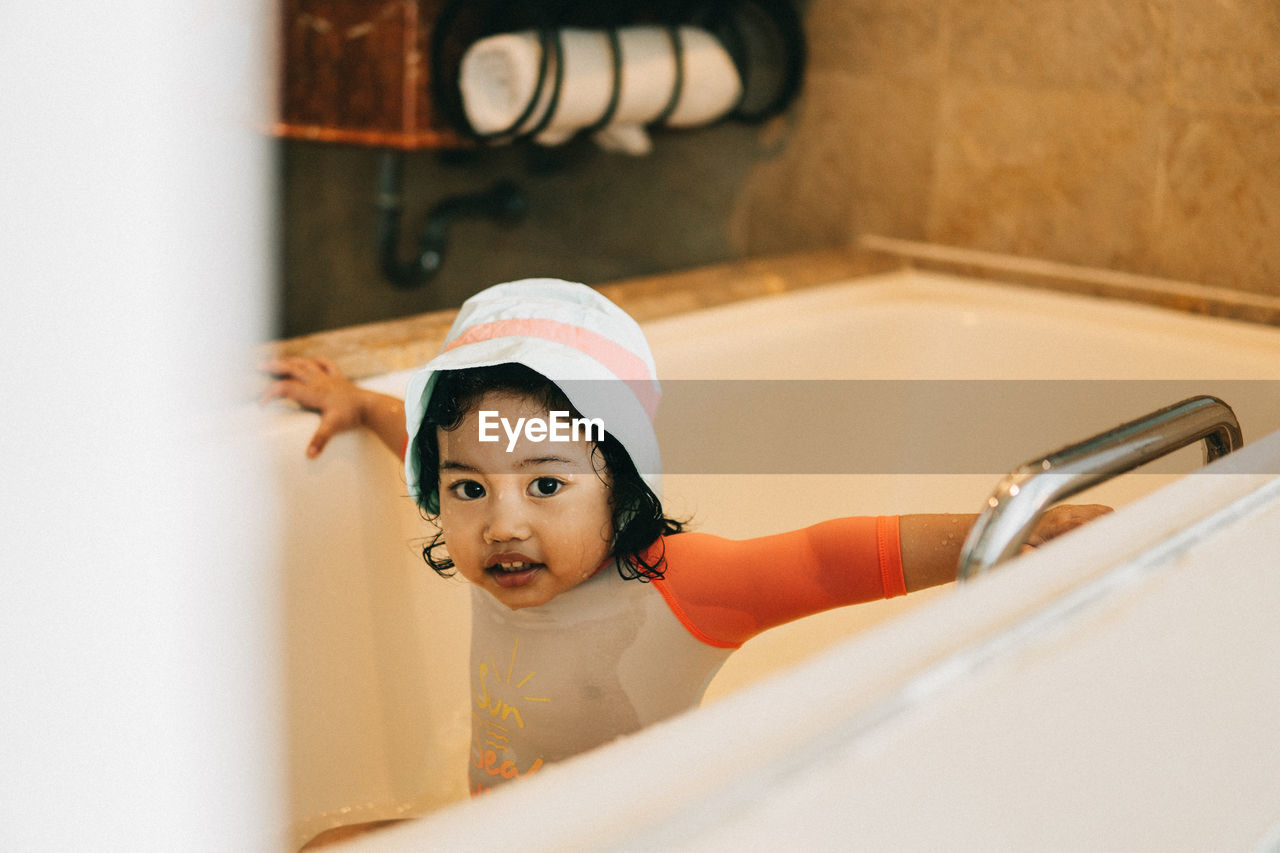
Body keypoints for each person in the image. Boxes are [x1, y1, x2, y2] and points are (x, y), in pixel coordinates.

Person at [263, 279, 1109, 798]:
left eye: (547, 484)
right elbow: (422, 432)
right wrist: (358, 400)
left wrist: (1006, 527)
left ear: (623, 481)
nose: (503, 520)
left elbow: (828, 557)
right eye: (468, 488)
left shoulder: (675, 583)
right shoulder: (504, 539)